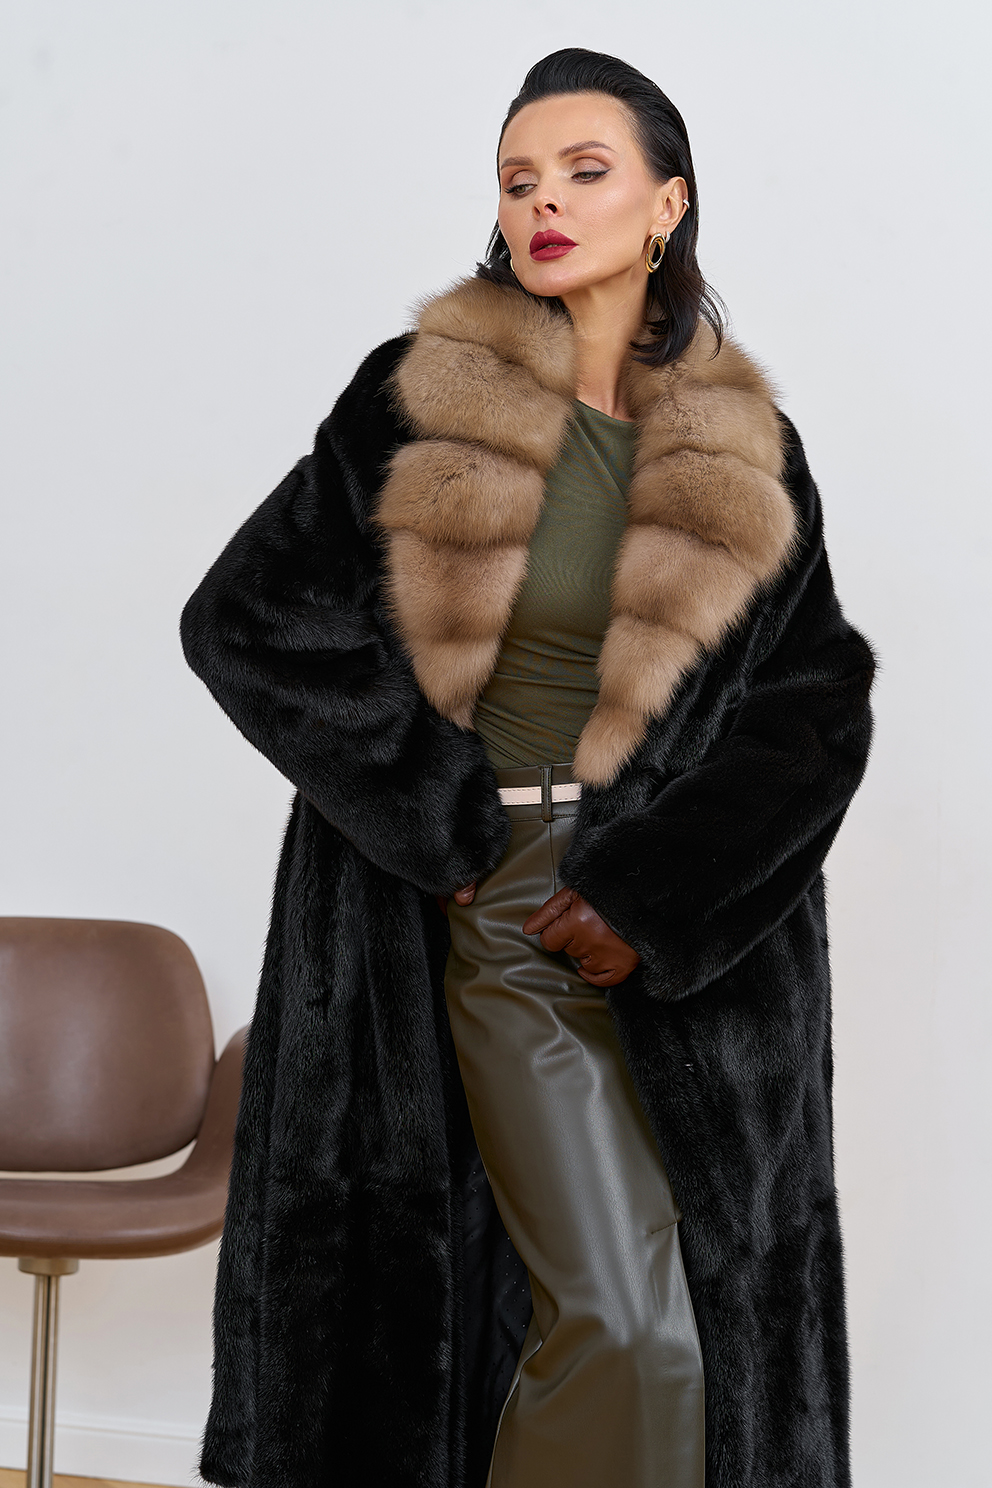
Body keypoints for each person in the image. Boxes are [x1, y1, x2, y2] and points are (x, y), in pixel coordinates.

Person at [181, 46, 875, 1488]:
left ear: (667, 203)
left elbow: (816, 702)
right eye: (517, 178)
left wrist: (660, 891)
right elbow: (247, 618)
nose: (542, 200)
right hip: (489, 906)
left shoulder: (753, 450)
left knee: (690, 1333)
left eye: (584, 170)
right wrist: (439, 822)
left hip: (668, 943)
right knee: (629, 1330)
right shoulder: (420, 396)